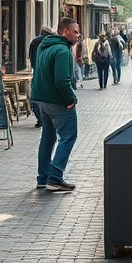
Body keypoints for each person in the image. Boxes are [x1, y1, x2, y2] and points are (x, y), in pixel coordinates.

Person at [31, 17, 82, 192]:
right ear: (65, 31)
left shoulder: (44, 47)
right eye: (75, 31)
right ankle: (55, 177)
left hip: (42, 100)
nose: (78, 35)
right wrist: (71, 98)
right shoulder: (62, 51)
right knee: (68, 136)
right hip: (58, 102)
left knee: (48, 138)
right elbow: (62, 80)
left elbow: (37, 72)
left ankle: (42, 177)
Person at [28, 26, 54, 127]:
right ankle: (46, 118)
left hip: (37, 72)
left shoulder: (35, 42)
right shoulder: (51, 43)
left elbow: (31, 57)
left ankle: (40, 119)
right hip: (48, 73)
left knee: (36, 97)